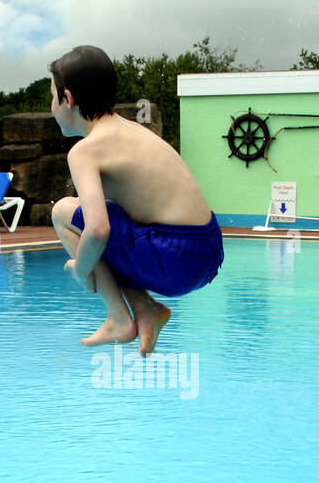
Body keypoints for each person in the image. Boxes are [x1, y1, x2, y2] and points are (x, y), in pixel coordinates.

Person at [49, 45, 223, 357]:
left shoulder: (86, 150)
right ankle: (146, 308)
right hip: (208, 251)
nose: (51, 106)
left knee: (63, 211)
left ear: (69, 99)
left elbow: (99, 231)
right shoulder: (131, 129)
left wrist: (81, 269)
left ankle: (119, 318)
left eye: (52, 96)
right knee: (110, 224)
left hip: (176, 257)